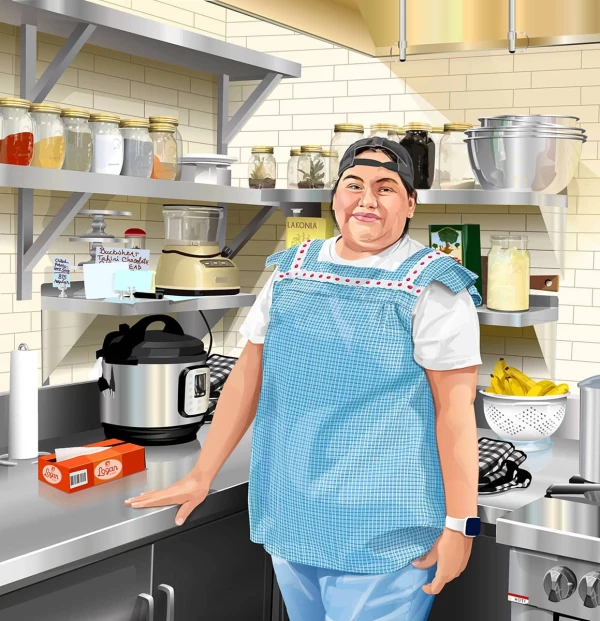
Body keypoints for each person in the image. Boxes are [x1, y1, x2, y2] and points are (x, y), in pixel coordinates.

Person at [126, 137, 482, 621]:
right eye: (353, 185)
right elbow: (249, 376)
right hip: (293, 514)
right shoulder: (292, 269)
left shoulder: (434, 285)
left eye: (387, 187)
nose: (367, 200)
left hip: (385, 528)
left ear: (411, 203)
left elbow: (455, 415)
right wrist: (201, 474)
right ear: (335, 197)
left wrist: (461, 525)